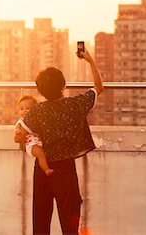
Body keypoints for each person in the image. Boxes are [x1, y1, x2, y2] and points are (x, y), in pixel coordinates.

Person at [14, 48, 103, 235]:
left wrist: (30, 142)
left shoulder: (37, 111)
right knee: (70, 224)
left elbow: (21, 132)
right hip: (65, 170)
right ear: (63, 86)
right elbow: (98, 88)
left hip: (42, 169)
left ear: (41, 91)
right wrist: (90, 61)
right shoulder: (75, 105)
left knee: (41, 222)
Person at [16, 95, 54, 176]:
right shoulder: (21, 121)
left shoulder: (38, 119)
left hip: (39, 142)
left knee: (46, 153)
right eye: (21, 109)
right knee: (41, 154)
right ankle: (46, 169)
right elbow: (17, 130)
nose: (24, 111)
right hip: (32, 144)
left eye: (28, 108)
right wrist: (18, 132)